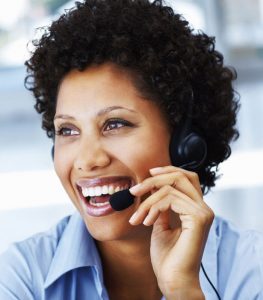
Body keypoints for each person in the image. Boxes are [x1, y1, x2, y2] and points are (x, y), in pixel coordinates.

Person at [0, 0, 263, 299]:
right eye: (68, 130)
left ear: (185, 144)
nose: (87, 160)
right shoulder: (22, 277)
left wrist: (184, 290)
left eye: (115, 124)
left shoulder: (252, 270)